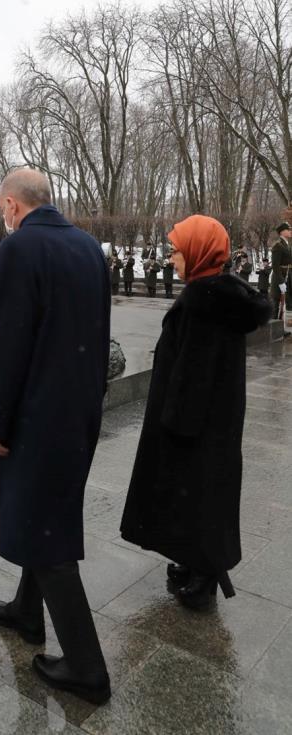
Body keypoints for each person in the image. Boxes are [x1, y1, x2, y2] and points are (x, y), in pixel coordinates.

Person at [0, 168, 111, 705]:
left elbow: (8, 344)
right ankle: (26, 611)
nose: (3, 216)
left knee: (47, 533)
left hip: (36, 415)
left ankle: (87, 666)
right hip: (77, 410)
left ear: (12, 205)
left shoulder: (19, 248)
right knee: (44, 514)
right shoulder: (87, 246)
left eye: (1, 208)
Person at [120, 215, 270, 610]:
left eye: (177, 250)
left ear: (198, 252)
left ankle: (205, 576)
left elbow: (194, 372)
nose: (172, 258)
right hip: (212, 420)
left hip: (194, 422)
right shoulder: (217, 295)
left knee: (199, 494)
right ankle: (194, 561)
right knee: (199, 494)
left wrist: (174, 424)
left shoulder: (204, 303)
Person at [269, 221, 292, 321]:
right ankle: (273, 327)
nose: (290, 231)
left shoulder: (287, 245)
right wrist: (281, 282)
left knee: (287, 303)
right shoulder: (277, 246)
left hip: (287, 276)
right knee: (276, 304)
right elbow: (275, 266)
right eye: (288, 229)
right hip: (279, 278)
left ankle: (283, 326)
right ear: (282, 232)